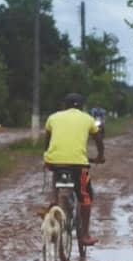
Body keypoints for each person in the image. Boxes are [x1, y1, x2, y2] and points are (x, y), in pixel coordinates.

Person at [44, 93, 105, 246]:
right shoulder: (87, 118)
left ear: (64, 105)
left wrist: (47, 157)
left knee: (56, 173)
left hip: (55, 162)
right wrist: (100, 157)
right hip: (79, 165)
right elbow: (98, 140)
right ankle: (84, 235)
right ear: (83, 106)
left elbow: (47, 141)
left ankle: (54, 201)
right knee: (85, 196)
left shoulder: (53, 117)